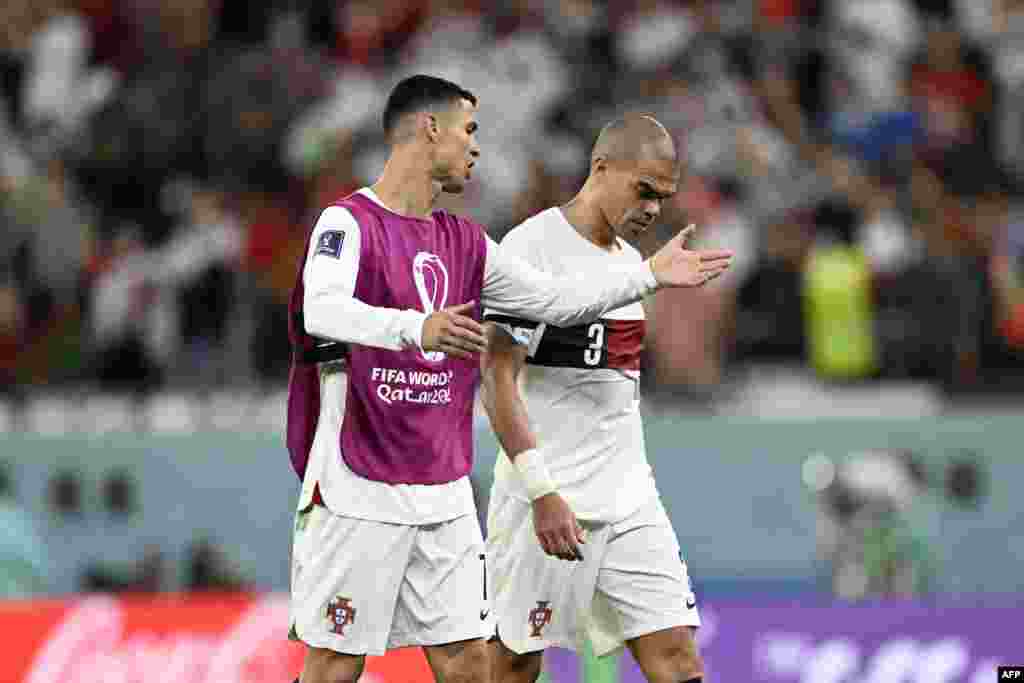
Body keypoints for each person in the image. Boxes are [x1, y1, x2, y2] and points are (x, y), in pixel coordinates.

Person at [286, 76, 732, 683]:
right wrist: (417, 329)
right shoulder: (348, 223)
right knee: (337, 664)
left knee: (471, 666)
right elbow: (323, 309)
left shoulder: (469, 242)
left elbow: (554, 300)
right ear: (429, 129)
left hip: (443, 490)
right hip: (360, 482)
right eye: (469, 131)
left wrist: (647, 276)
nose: (476, 149)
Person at [481, 115, 706, 683]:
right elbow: (497, 377)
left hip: (629, 499)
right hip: (546, 499)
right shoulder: (531, 247)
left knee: (677, 657)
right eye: (644, 190)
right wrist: (541, 491)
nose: (654, 209)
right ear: (601, 168)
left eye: (664, 197)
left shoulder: (633, 265)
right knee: (512, 665)